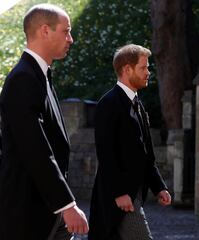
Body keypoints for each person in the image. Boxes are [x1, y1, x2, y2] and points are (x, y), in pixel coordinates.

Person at [0, 4, 89, 240]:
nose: (71, 39)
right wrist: (67, 205)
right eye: (66, 31)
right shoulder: (23, 79)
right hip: (28, 212)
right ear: (45, 31)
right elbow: (35, 149)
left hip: (48, 210)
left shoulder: (41, 76)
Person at [89, 44, 171, 240]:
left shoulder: (139, 106)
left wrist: (159, 186)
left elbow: (146, 154)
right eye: (143, 68)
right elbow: (106, 153)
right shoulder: (108, 104)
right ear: (127, 69)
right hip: (118, 198)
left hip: (134, 195)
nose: (148, 72)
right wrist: (119, 193)